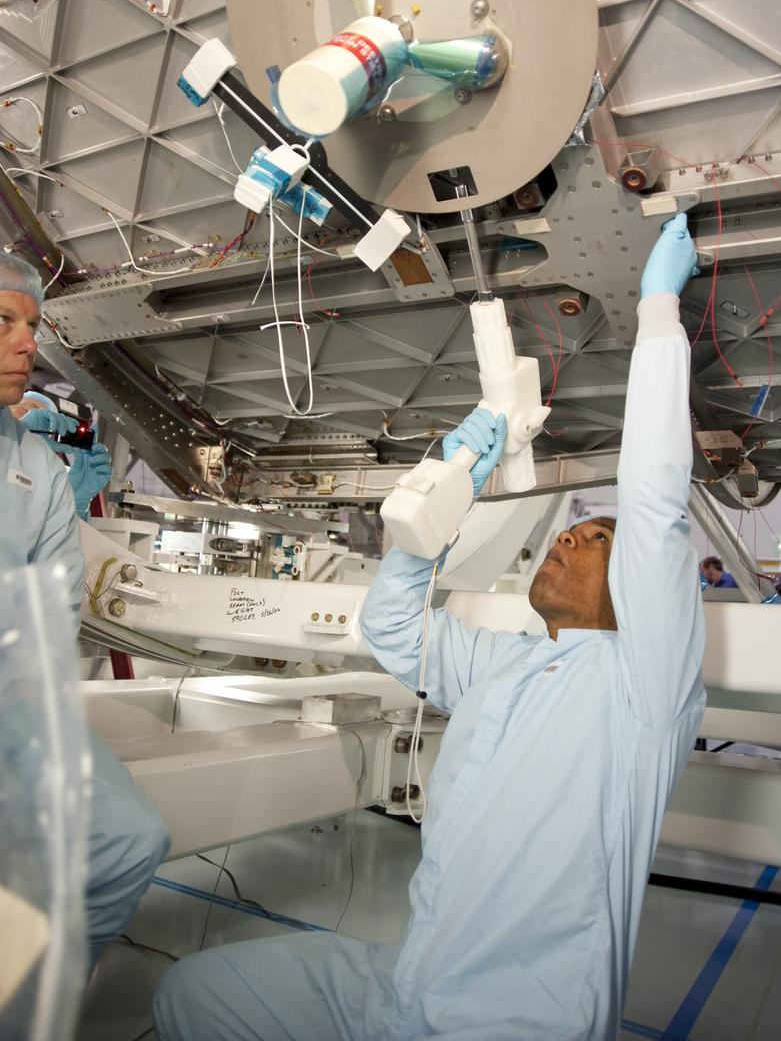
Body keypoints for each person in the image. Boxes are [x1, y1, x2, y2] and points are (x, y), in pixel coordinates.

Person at [154, 212, 705, 1041]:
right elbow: (393, 628)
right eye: (567, 531)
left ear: (635, 592)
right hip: (403, 983)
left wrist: (657, 311)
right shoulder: (501, 663)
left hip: (519, 1018)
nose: (564, 538)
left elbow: (656, 506)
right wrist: (439, 494)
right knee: (196, 993)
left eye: (591, 540)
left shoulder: (642, 686)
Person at [0, 253, 170, 969]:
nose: (25, 343)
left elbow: (53, 609)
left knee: (130, 836)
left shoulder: (34, 468)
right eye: (5, 322)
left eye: (32, 326)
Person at [10, 389, 114, 518]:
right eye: (26, 406)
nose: (30, 411)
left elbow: (54, 534)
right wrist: (16, 433)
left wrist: (74, 504)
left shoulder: (51, 481)